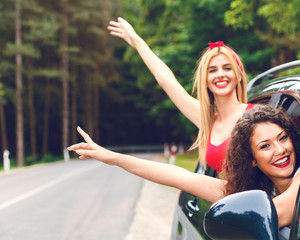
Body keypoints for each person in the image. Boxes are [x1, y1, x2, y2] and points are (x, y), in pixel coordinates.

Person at [68, 104, 300, 228]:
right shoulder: (255, 191)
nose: (280, 150)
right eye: (265, 146)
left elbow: (278, 213)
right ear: (252, 159)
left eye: (283, 138)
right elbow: (178, 177)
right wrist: (112, 157)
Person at [107, 17, 254, 173]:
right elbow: (166, 80)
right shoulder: (207, 121)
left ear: (238, 75)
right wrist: (137, 42)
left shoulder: (256, 115)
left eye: (227, 68)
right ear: (205, 80)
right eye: (212, 70)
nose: (220, 75)